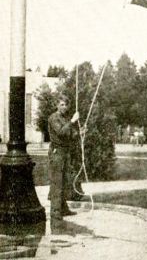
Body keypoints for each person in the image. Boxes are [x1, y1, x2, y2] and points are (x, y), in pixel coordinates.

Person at [48, 95, 80, 229]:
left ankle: (63, 208)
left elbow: (70, 135)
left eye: (65, 105)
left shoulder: (65, 119)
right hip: (57, 153)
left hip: (64, 153)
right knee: (57, 184)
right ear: (57, 105)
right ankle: (55, 216)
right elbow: (61, 132)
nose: (64, 107)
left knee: (65, 182)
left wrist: (80, 133)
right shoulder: (53, 118)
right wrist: (72, 121)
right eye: (61, 104)